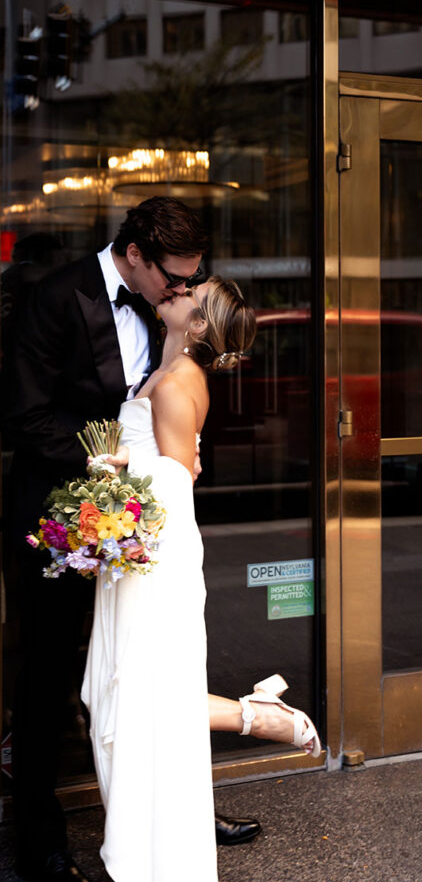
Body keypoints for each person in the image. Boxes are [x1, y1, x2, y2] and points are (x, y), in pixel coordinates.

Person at [4, 198, 259, 882]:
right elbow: (24, 414)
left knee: (147, 670)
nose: (180, 290)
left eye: (190, 280)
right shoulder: (55, 296)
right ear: (138, 257)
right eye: (173, 278)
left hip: (143, 525)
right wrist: (99, 468)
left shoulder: (166, 310)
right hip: (61, 519)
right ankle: (40, 845)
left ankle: (175, 817)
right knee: (50, 681)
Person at [81, 276, 321, 881]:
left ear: (198, 325)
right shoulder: (167, 376)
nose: (179, 288)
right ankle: (254, 718)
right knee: (120, 690)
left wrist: (125, 466)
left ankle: (263, 720)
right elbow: (176, 463)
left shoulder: (177, 384)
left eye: (192, 290)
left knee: (139, 692)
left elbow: (173, 484)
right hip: (141, 549)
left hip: (155, 553)